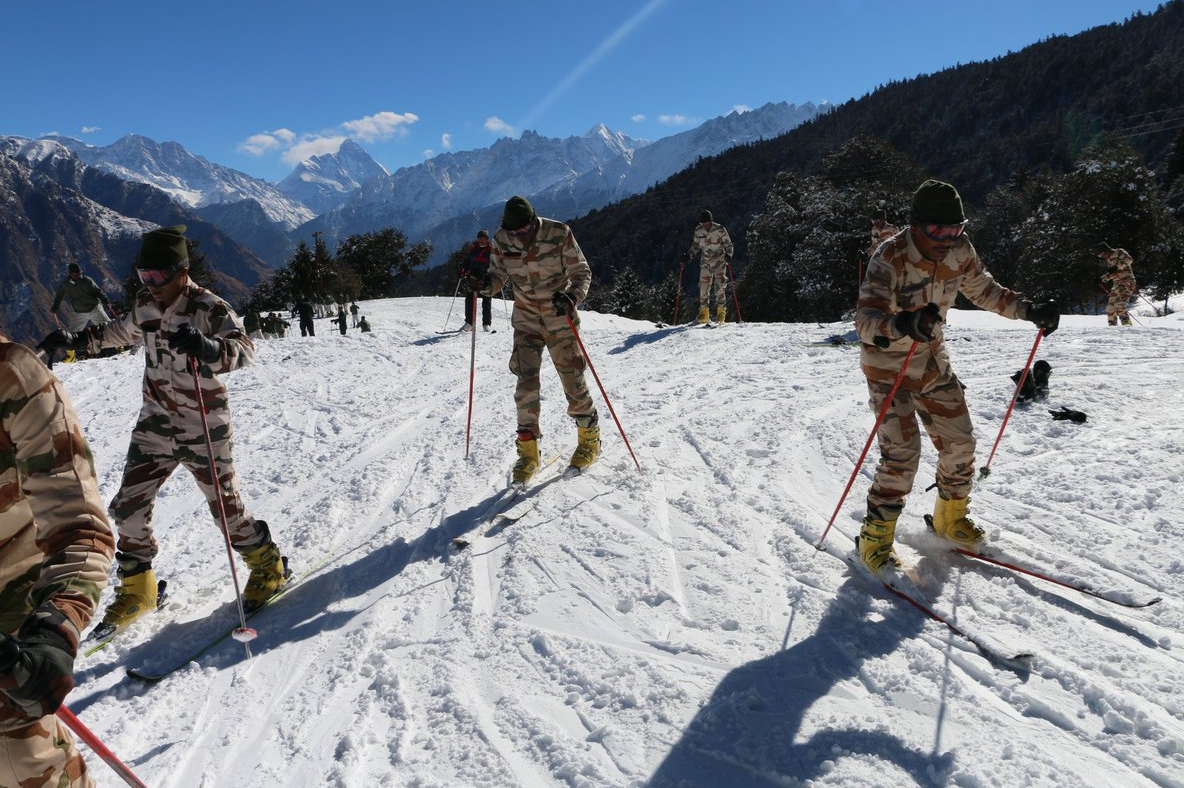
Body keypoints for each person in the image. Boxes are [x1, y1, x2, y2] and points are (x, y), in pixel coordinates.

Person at [36, 225, 288, 635]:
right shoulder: (146, 306)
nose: (150, 285)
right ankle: (139, 590)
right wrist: (75, 342)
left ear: (182, 271)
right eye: (143, 277)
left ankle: (268, 566)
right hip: (155, 424)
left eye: (158, 277)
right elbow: (117, 333)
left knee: (224, 508)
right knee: (127, 507)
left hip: (203, 424)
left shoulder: (209, 307)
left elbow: (243, 350)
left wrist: (210, 349)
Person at [853, 180, 1059, 571]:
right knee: (901, 454)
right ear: (916, 225)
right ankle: (875, 538)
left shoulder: (960, 250)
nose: (948, 238)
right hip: (888, 367)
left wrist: (1029, 310)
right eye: (938, 230)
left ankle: (950, 519)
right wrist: (903, 324)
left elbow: (985, 291)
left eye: (956, 229)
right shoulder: (890, 256)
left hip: (931, 360)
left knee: (960, 443)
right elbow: (865, 320)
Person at [0, 332, 115, 788]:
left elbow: (79, 526)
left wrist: (54, 627)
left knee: (20, 759)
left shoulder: (13, 377)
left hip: (11, 595)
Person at [472, 196, 600, 479]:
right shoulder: (503, 239)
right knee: (525, 384)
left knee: (572, 378)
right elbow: (497, 275)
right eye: (512, 231)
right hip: (526, 319)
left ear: (533, 221)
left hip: (559, 316)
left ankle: (589, 439)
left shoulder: (559, 233)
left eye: (522, 231)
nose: (517, 236)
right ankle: (528, 453)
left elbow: (581, 271)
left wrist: (571, 297)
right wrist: (485, 286)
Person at [682, 210, 734, 324]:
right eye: (702, 223)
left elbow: (729, 245)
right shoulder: (698, 230)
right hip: (705, 261)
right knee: (704, 287)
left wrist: (729, 255)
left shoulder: (720, 229)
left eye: (706, 222)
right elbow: (696, 246)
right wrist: (688, 255)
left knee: (719, 287)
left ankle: (721, 314)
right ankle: (704, 314)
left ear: (710, 221)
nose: (704, 225)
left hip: (719, 261)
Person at [51, 263, 113, 333]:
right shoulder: (66, 285)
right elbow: (59, 296)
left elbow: (97, 291)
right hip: (79, 313)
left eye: (79, 273)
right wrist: (55, 306)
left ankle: (118, 342)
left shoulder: (87, 280)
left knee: (109, 329)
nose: (79, 275)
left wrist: (106, 300)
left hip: (95, 308)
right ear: (71, 274)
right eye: (76, 274)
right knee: (73, 335)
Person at [460, 229, 494, 332]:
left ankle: (486, 324)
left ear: (487, 239)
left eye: (484, 238)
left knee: (486, 300)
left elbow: (496, 263)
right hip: (473, 277)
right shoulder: (472, 249)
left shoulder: (491, 250)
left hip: (486, 277)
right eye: (480, 238)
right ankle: (469, 323)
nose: (481, 240)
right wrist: (463, 270)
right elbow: (467, 261)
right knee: (469, 299)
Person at [1099, 245, 1137, 326]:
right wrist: (1102, 279)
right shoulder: (1109, 259)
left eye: (1102, 254)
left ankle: (1127, 325)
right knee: (1110, 307)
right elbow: (1113, 273)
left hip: (1127, 281)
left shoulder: (1119, 252)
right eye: (1100, 255)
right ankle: (1113, 327)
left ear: (1106, 250)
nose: (1102, 256)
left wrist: (1117, 267)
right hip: (1117, 284)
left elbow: (1129, 260)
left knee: (1119, 305)